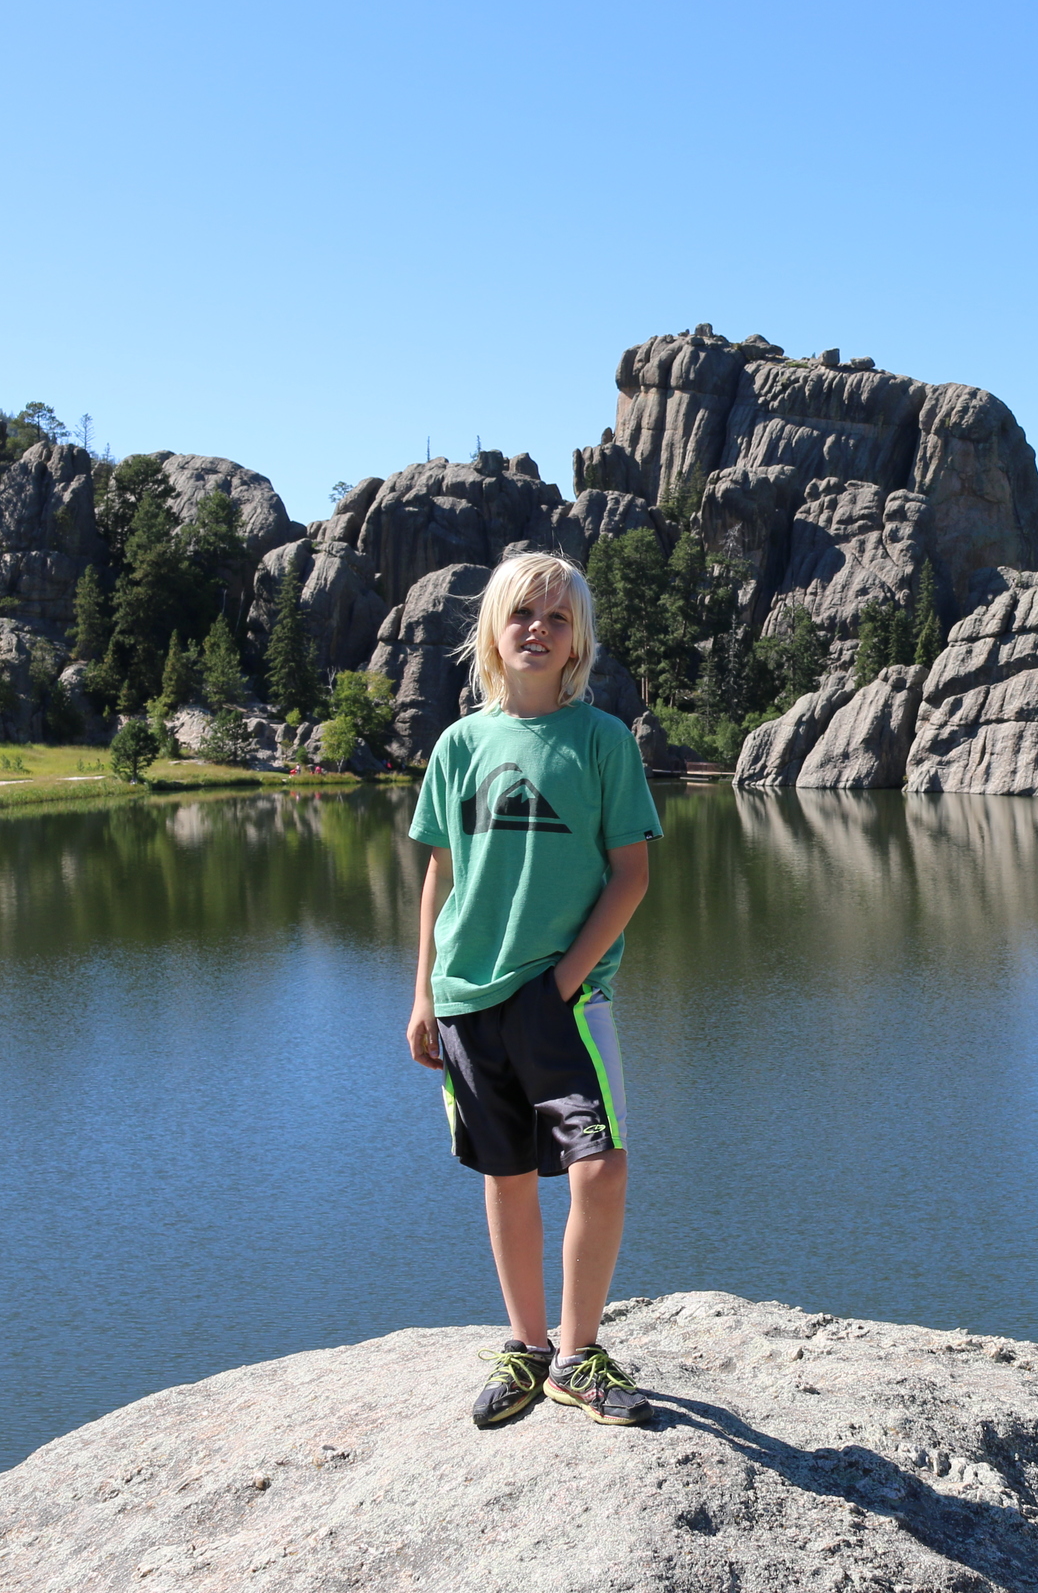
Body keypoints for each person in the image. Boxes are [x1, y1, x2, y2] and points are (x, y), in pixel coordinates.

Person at [404, 552, 661, 1430]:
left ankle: (579, 1352)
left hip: (563, 1000)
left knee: (602, 1167)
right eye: (522, 615)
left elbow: (630, 876)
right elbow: (440, 874)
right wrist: (425, 992)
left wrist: (563, 980)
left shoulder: (603, 740)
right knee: (506, 1172)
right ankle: (528, 1346)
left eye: (557, 618)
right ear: (493, 631)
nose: (538, 630)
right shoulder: (459, 744)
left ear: (578, 639)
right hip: (468, 998)